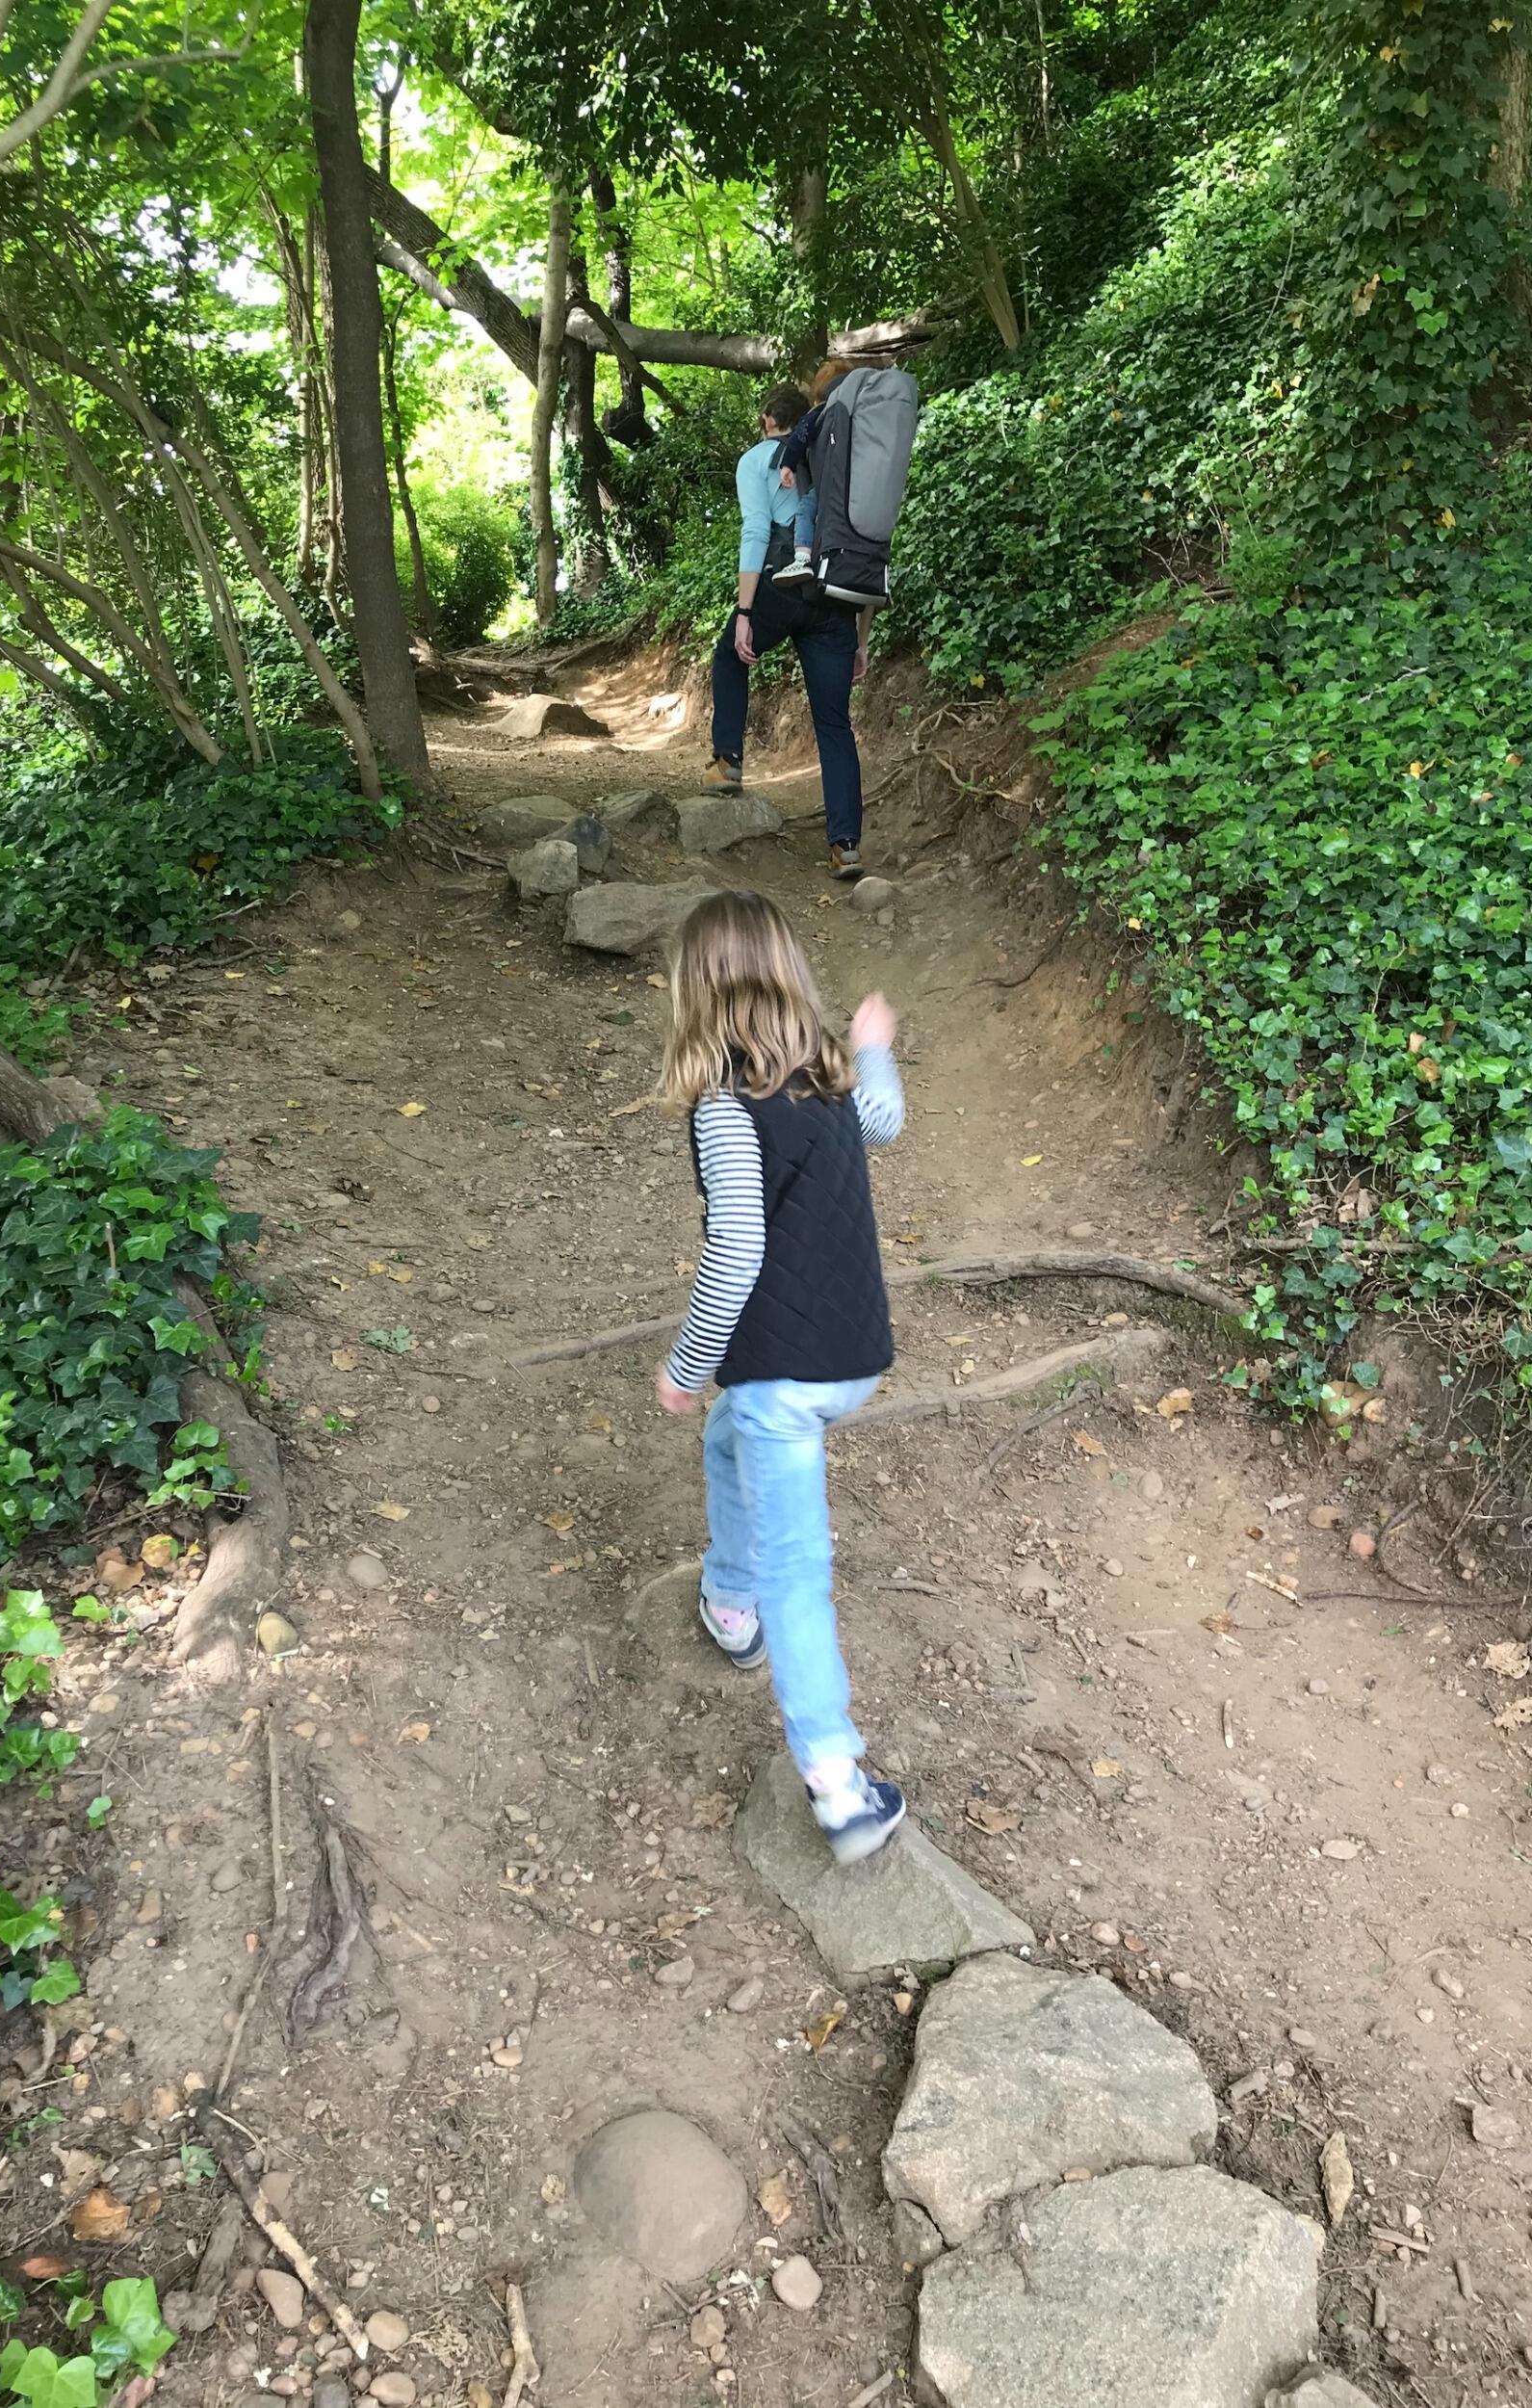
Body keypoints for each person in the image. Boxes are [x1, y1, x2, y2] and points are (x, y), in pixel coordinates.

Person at [655, 891, 907, 1865]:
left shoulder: (726, 1107)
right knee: (731, 1441)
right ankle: (729, 1600)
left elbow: (733, 1250)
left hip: (782, 1381)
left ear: (697, 992)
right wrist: (872, 1046)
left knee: (796, 1572)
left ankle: (838, 1787)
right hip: (853, 1357)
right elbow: (883, 1118)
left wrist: (686, 1367)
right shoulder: (828, 1080)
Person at [702, 380, 873, 881]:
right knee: (834, 724)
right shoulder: (836, 459)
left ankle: (727, 762)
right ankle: (846, 845)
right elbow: (867, 547)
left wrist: (745, 611)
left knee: (729, 655)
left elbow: (757, 530)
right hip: (836, 599)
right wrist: (862, 638)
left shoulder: (758, 459)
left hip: (782, 585)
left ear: (766, 420)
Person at [769, 358, 853, 585]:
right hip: (858, 482)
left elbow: (800, 436)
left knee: (806, 509)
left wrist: (787, 464)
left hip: (828, 481)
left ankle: (802, 559)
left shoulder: (822, 411)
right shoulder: (858, 413)